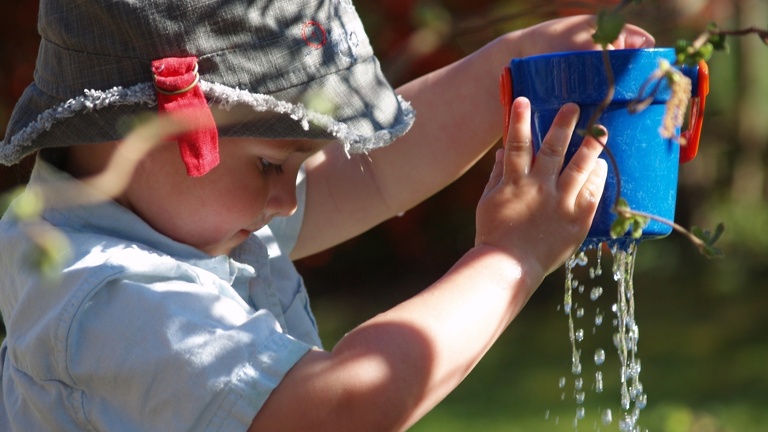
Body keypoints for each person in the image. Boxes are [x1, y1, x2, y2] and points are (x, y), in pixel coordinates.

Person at [0, 0, 654, 430]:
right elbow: (343, 408)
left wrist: (508, 70)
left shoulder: (171, 222)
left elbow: (379, 174)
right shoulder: (109, 299)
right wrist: (511, 258)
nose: (287, 198)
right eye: (271, 164)